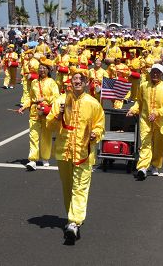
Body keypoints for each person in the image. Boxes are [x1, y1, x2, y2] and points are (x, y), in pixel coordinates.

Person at [46, 66, 105, 244]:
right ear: (70, 81)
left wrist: (95, 133)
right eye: (74, 78)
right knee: (67, 186)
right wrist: (58, 116)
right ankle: (71, 218)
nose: (77, 81)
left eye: (81, 79)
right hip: (63, 152)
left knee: (80, 187)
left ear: (86, 83)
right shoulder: (61, 101)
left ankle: (74, 222)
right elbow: (49, 124)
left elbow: (100, 125)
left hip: (83, 152)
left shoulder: (93, 103)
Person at [127, 63, 163, 180]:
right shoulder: (143, 86)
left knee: (158, 146)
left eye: (158, 72)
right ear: (150, 73)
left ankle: (155, 165)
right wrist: (133, 110)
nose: (155, 74)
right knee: (145, 143)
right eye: (153, 72)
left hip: (161, 122)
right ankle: (142, 168)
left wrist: (157, 113)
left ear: (162, 74)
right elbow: (139, 101)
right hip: (145, 120)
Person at [18, 57, 59, 170]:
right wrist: (24, 107)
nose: (41, 70)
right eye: (40, 68)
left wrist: (45, 98)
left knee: (46, 136)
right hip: (35, 112)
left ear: (48, 70)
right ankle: (32, 160)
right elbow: (30, 97)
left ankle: (45, 157)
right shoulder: (34, 83)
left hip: (46, 112)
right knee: (33, 136)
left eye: (44, 68)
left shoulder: (52, 82)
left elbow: (56, 97)